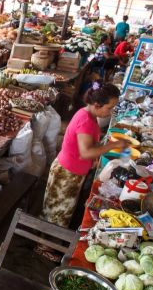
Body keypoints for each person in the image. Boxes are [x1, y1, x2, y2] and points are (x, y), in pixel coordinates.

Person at [39, 84, 127, 255]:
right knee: (58, 212)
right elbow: (85, 151)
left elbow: (87, 146)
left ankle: (46, 242)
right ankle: (44, 247)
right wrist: (113, 145)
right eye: (110, 107)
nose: (111, 112)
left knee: (57, 209)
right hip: (66, 174)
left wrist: (97, 153)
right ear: (97, 105)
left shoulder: (88, 114)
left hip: (71, 170)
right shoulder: (86, 120)